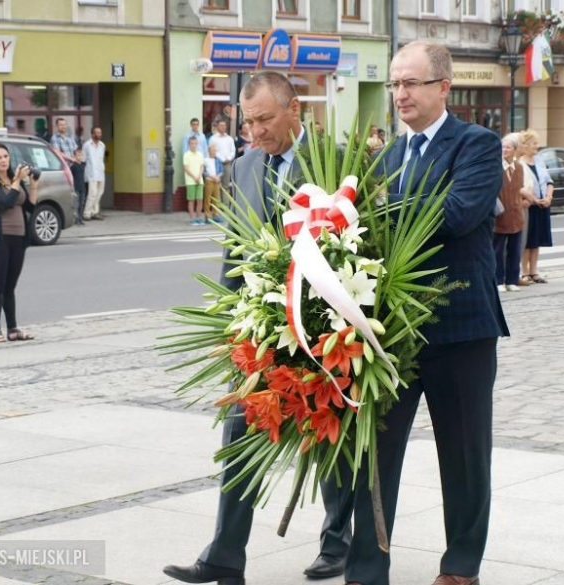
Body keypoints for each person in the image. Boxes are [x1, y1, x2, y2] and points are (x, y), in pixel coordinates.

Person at [163, 71, 353, 585]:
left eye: (266, 119)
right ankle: (225, 557)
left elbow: (362, 239)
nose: (256, 132)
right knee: (240, 432)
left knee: (327, 436)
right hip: (258, 328)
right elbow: (235, 249)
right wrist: (229, 324)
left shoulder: (336, 161)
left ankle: (339, 544)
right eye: (248, 121)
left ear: (296, 110)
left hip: (322, 327)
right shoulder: (244, 165)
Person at [345, 41, 506, 585]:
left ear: (443, 87)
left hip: (461, 327)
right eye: (394, 84)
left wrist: (380, 209)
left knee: (463, 457)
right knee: (375, 456)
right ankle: (366, 569)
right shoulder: (386, 156)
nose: (399, 95)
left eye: (410, 83)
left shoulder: (477, 145)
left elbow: (458, 214)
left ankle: (461, 567)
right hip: (393, 335)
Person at [0, 142, 38, 343]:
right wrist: (16, 181)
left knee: (10, 286)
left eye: (5, 156)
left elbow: (30, 206)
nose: (3, 160)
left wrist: (33, 184)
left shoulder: (15, 178)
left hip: (19, 237)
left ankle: (13, 329)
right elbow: (6, 202)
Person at [495, 134, 532, 292]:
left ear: (515, 150)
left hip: (516, 215)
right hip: (500, 216)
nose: (505, 150)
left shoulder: (519, 167)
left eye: (508, 147)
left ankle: (511, 280)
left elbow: (519, 188)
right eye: (503, 147)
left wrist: (524, 200)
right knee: (497, 251)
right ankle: (498, 281)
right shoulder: (495, 166)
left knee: (515, 250)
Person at [517, 129, 553, 284]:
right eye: (534, 143)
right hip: (529, 205)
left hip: (542, 205)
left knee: (537, 240)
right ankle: (524, 271)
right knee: (527, 240)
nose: (536, 146)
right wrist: (533, 199)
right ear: (525, 145)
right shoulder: (520, 162)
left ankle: (534, 271)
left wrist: (549, 197)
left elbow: (549, 181)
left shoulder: (539, 160)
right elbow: (520, 186)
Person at [209, 119, 236, 202]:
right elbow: (212, 150)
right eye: (221, 125)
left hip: (228, 164)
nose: (223, 127)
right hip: (217, 163)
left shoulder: (229, 139)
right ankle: (218, 205)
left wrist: (229, 158)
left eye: (224, 125)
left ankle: (226, 205)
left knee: (226, 185)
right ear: (217, 127)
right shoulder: (213, 138)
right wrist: (222, 159)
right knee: (217, 185)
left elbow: (233, 150)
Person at [83, 126, 106, 221]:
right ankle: (86, 213)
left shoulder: (102, 145)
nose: (99, 134)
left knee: (99, 193)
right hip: (91, 172)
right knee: (92, 193)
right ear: (92, 134)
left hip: (100, 172)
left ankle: (95, 212)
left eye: (100, 133)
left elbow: (101, 159)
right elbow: (84, 159)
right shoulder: (87, 145)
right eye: (97, 133)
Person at [183, 136, 205, 225]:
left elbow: (202, 167)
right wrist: (194, 176)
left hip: (199, 180)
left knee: (200, 199)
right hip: (190, 181)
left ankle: (199, 217)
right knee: (191, 200)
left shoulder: (200, 154)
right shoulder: (186, 155)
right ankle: (192, 218)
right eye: (192, 143)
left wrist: (199, 176)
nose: (193, 145)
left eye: (195, 143)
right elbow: (186, 168)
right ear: (189, 144)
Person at [203, 143, 223, 223]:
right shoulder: (206, 160)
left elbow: (221, 171)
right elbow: (204, 172)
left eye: (215, 150)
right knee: (208, 199)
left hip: (217, 181)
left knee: (216, 199)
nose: (214, 152)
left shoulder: (218, 160)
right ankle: (207, 216)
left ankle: (216, 215)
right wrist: (212, 177)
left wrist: (218, 177)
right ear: (209, 151)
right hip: (209, 181)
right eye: (213, 150)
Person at [70, 147, 87, 226]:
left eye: (81, 155)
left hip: (82, 187)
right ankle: (76, 219)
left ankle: (80, 219)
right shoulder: (73, 166)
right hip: (76, 187)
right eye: (78, 155)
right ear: (74, 156)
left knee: (81, 203)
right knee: (76, 204)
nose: (80, 157)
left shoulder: (83, 165)